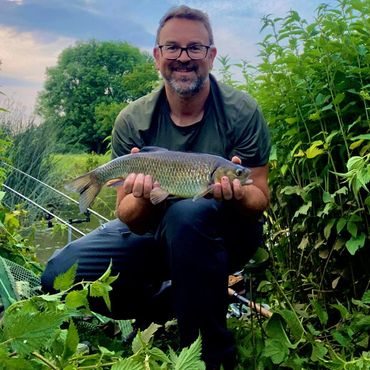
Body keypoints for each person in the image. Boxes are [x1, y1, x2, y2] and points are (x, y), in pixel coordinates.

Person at [41, 5, 271, 369]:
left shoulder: (242, 112)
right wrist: (142, 197)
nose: (183, 57)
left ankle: (210, 357)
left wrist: (239, 190)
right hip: (152, 229)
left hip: (222, 235)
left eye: (195, 48)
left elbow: (260, 198)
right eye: (172, 48)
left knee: (189, 211)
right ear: (157, 56)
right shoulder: (133, 118)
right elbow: (128, 216)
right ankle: (166, 300)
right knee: (58, 276)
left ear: (211, 56)